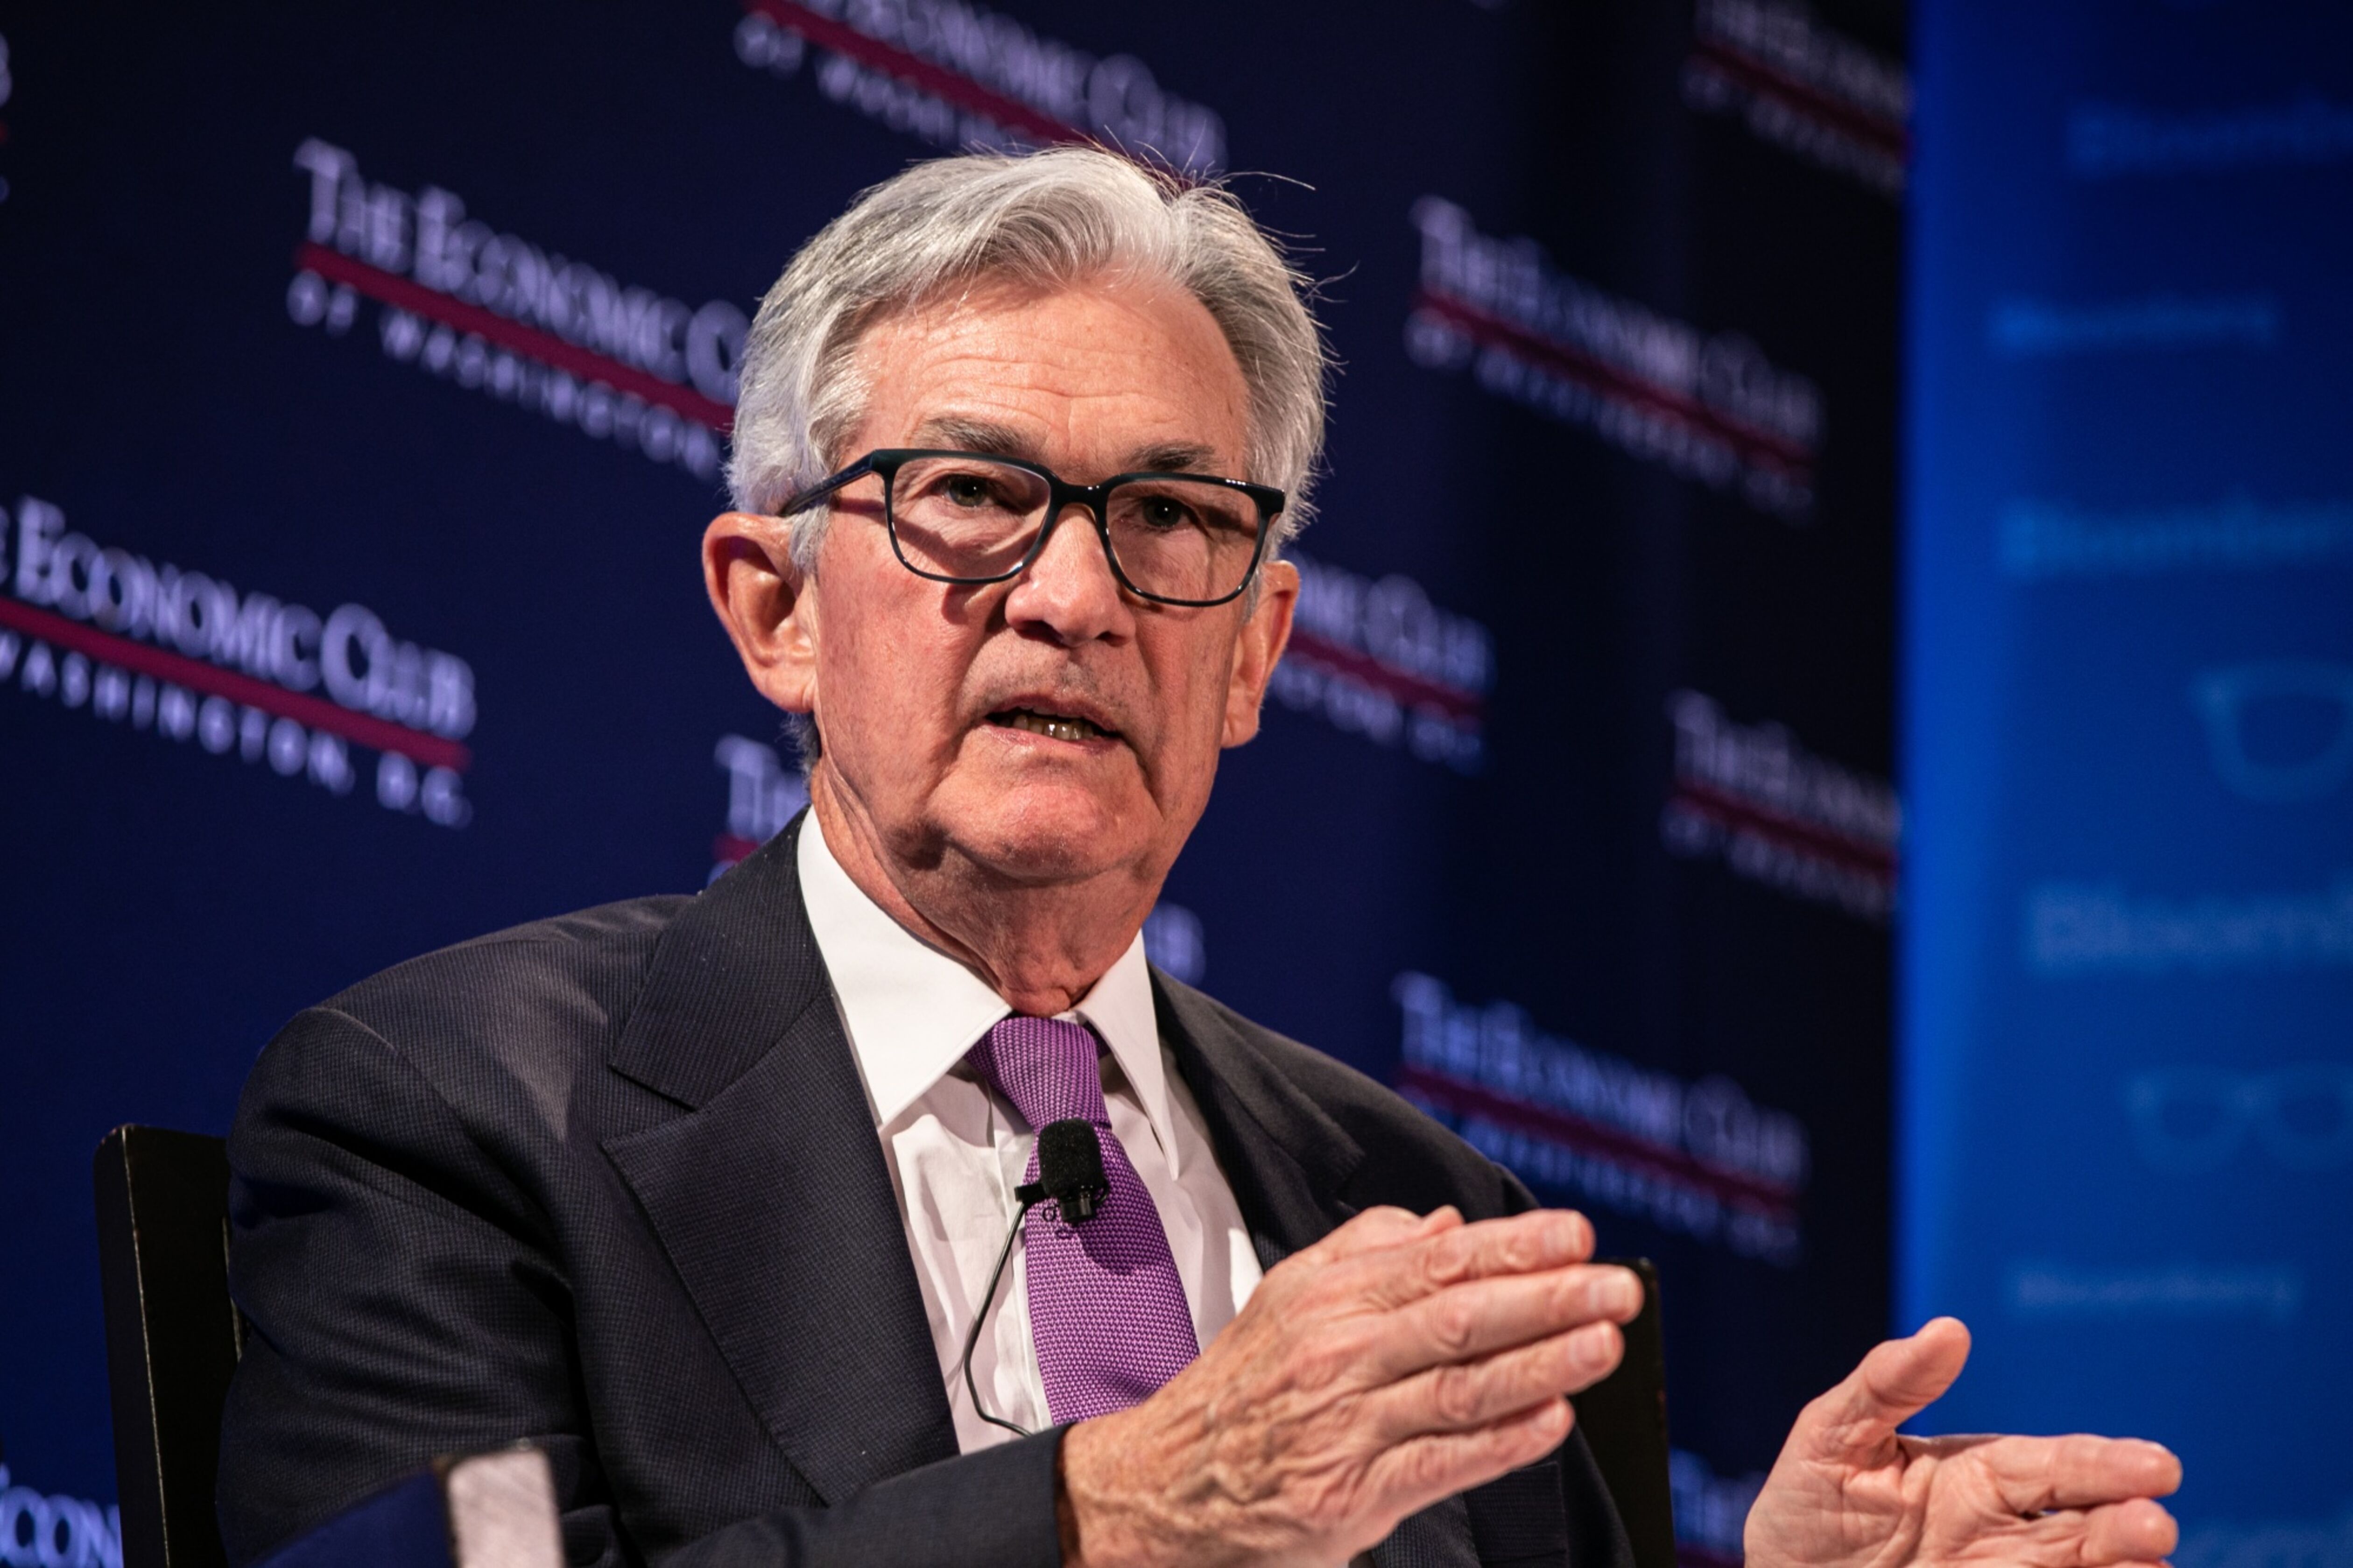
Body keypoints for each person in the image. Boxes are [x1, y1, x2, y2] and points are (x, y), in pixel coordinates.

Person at [217, 147, 2183, 1568]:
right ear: (776, 608)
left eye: (1168, 519)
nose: (1074, 594)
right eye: (974, 494)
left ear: (1254, 650)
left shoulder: (1419, 1211)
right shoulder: (454, 1113)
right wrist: (1116, 1517)